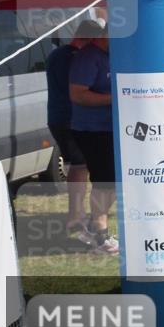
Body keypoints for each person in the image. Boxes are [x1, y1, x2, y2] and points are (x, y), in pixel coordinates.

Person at [46, 19, 104, 235]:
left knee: (79, 166)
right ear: (88, 39)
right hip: (70, 119)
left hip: (59, 118)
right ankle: (76, 217)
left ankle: (76, 215)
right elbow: (80, 90)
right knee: (80, 167)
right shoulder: (73, 58)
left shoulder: (57, 54)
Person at [68, 20, 118, 254]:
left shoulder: (109, 55)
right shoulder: (88, 57)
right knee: (104, 181)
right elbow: (78, 95)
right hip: (92, 130)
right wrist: (114, 98)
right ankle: (99, 233)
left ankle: (96, 227)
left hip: (109, 128)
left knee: (111, 181)